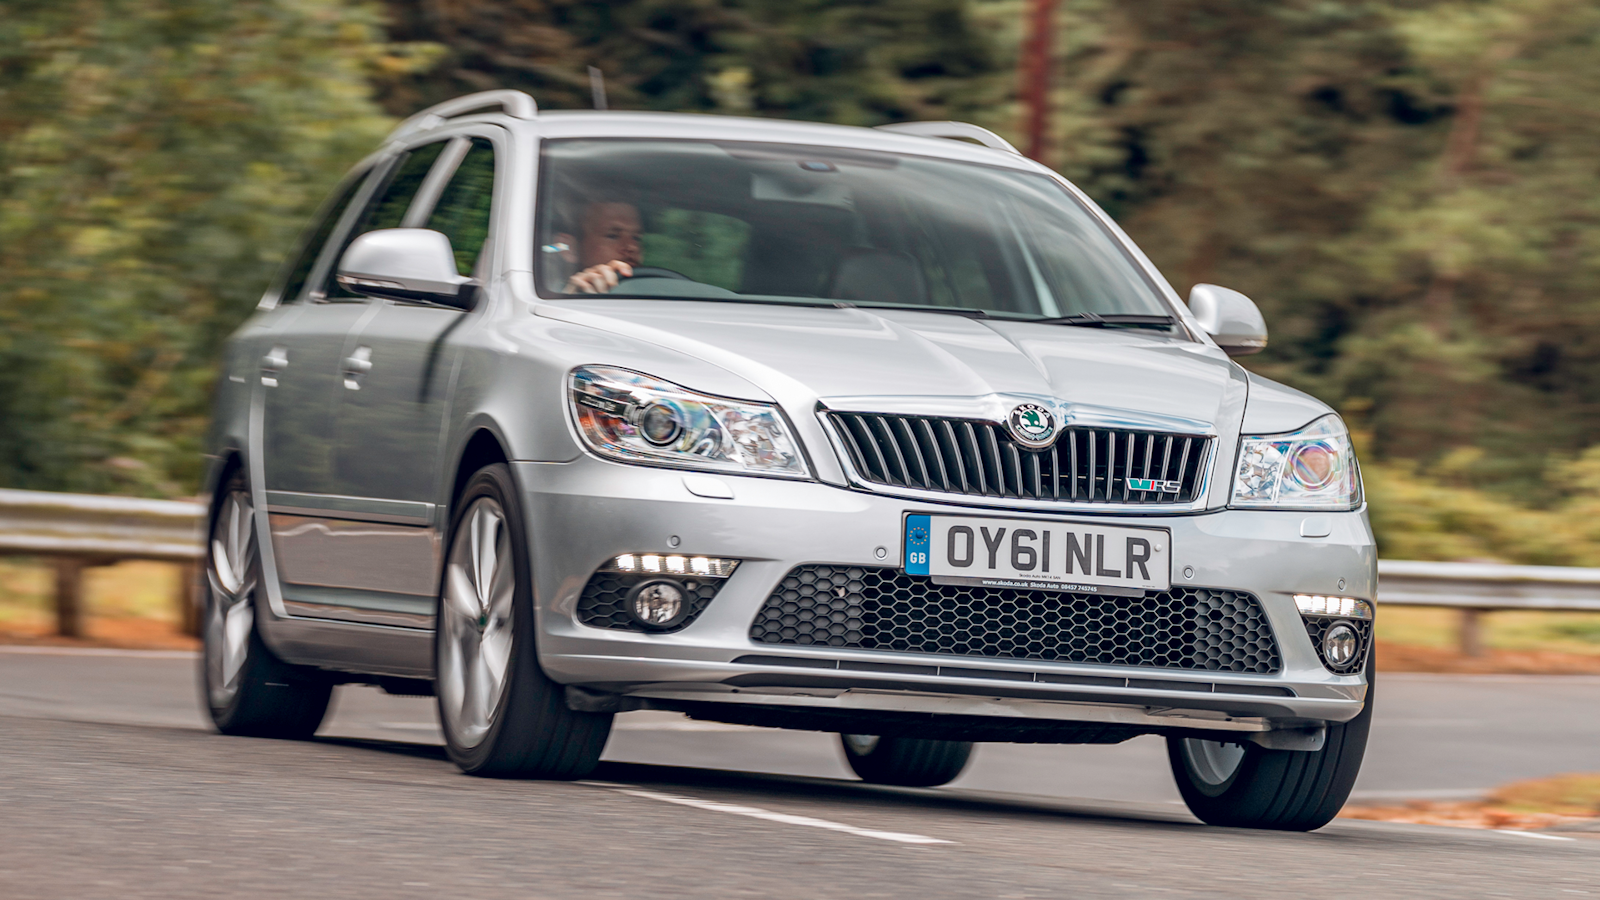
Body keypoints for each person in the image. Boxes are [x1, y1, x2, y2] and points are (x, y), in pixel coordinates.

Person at [550, 200, 643, 293]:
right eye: (613, 236)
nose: (632, 246)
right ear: (570, 249)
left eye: (636, 238)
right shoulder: (549, 298)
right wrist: (574, 295)